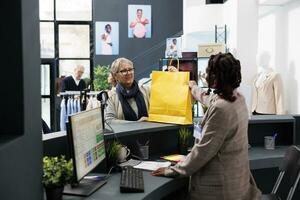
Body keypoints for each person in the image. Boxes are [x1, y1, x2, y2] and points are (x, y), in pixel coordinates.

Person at [152, 53, 261, 200]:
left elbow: (203, 151)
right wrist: (193, 87)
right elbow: (211, 99)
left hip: (220, 190)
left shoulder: (222, 109)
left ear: (217, 77)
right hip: (237, 182)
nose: (206, 75)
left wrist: (173, 170)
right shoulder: (238, 98)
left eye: (209, 72)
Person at [105, 57, 150, 123]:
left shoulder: (147, 91)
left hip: (150, 132)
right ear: (115, 76)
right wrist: (137, 124)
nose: (128, 73)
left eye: (130, 69)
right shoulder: (111, 97)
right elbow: (109, 121)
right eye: (123, 71)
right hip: (123, 133)